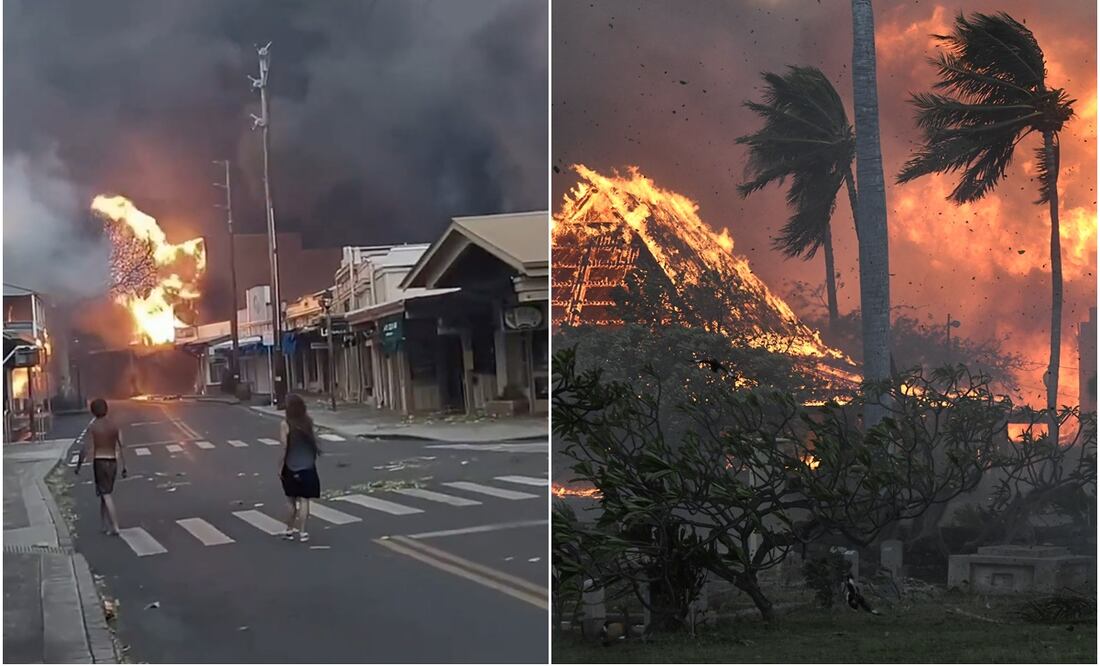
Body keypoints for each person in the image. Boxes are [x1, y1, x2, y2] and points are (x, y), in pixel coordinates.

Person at [75, 398, 127, 535]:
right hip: (113, 462)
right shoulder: (114, 425)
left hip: (100, 462)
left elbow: (85, 448)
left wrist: (78, 466)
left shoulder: (93, 427)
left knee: (105, 494)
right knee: (104, 493)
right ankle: (104, 524)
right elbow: (121, 445)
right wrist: (124, 467)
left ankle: (115, 526)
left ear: (93, 411)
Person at [279, 394, 320, 542]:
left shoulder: (285, 424)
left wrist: (280, 466)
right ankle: (303, 532)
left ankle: (289, 530)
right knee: (304, 500)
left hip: (291, 466)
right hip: (308, 466)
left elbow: (284, 447)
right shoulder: (308, 422)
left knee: (290, 500)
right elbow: (312, 442)